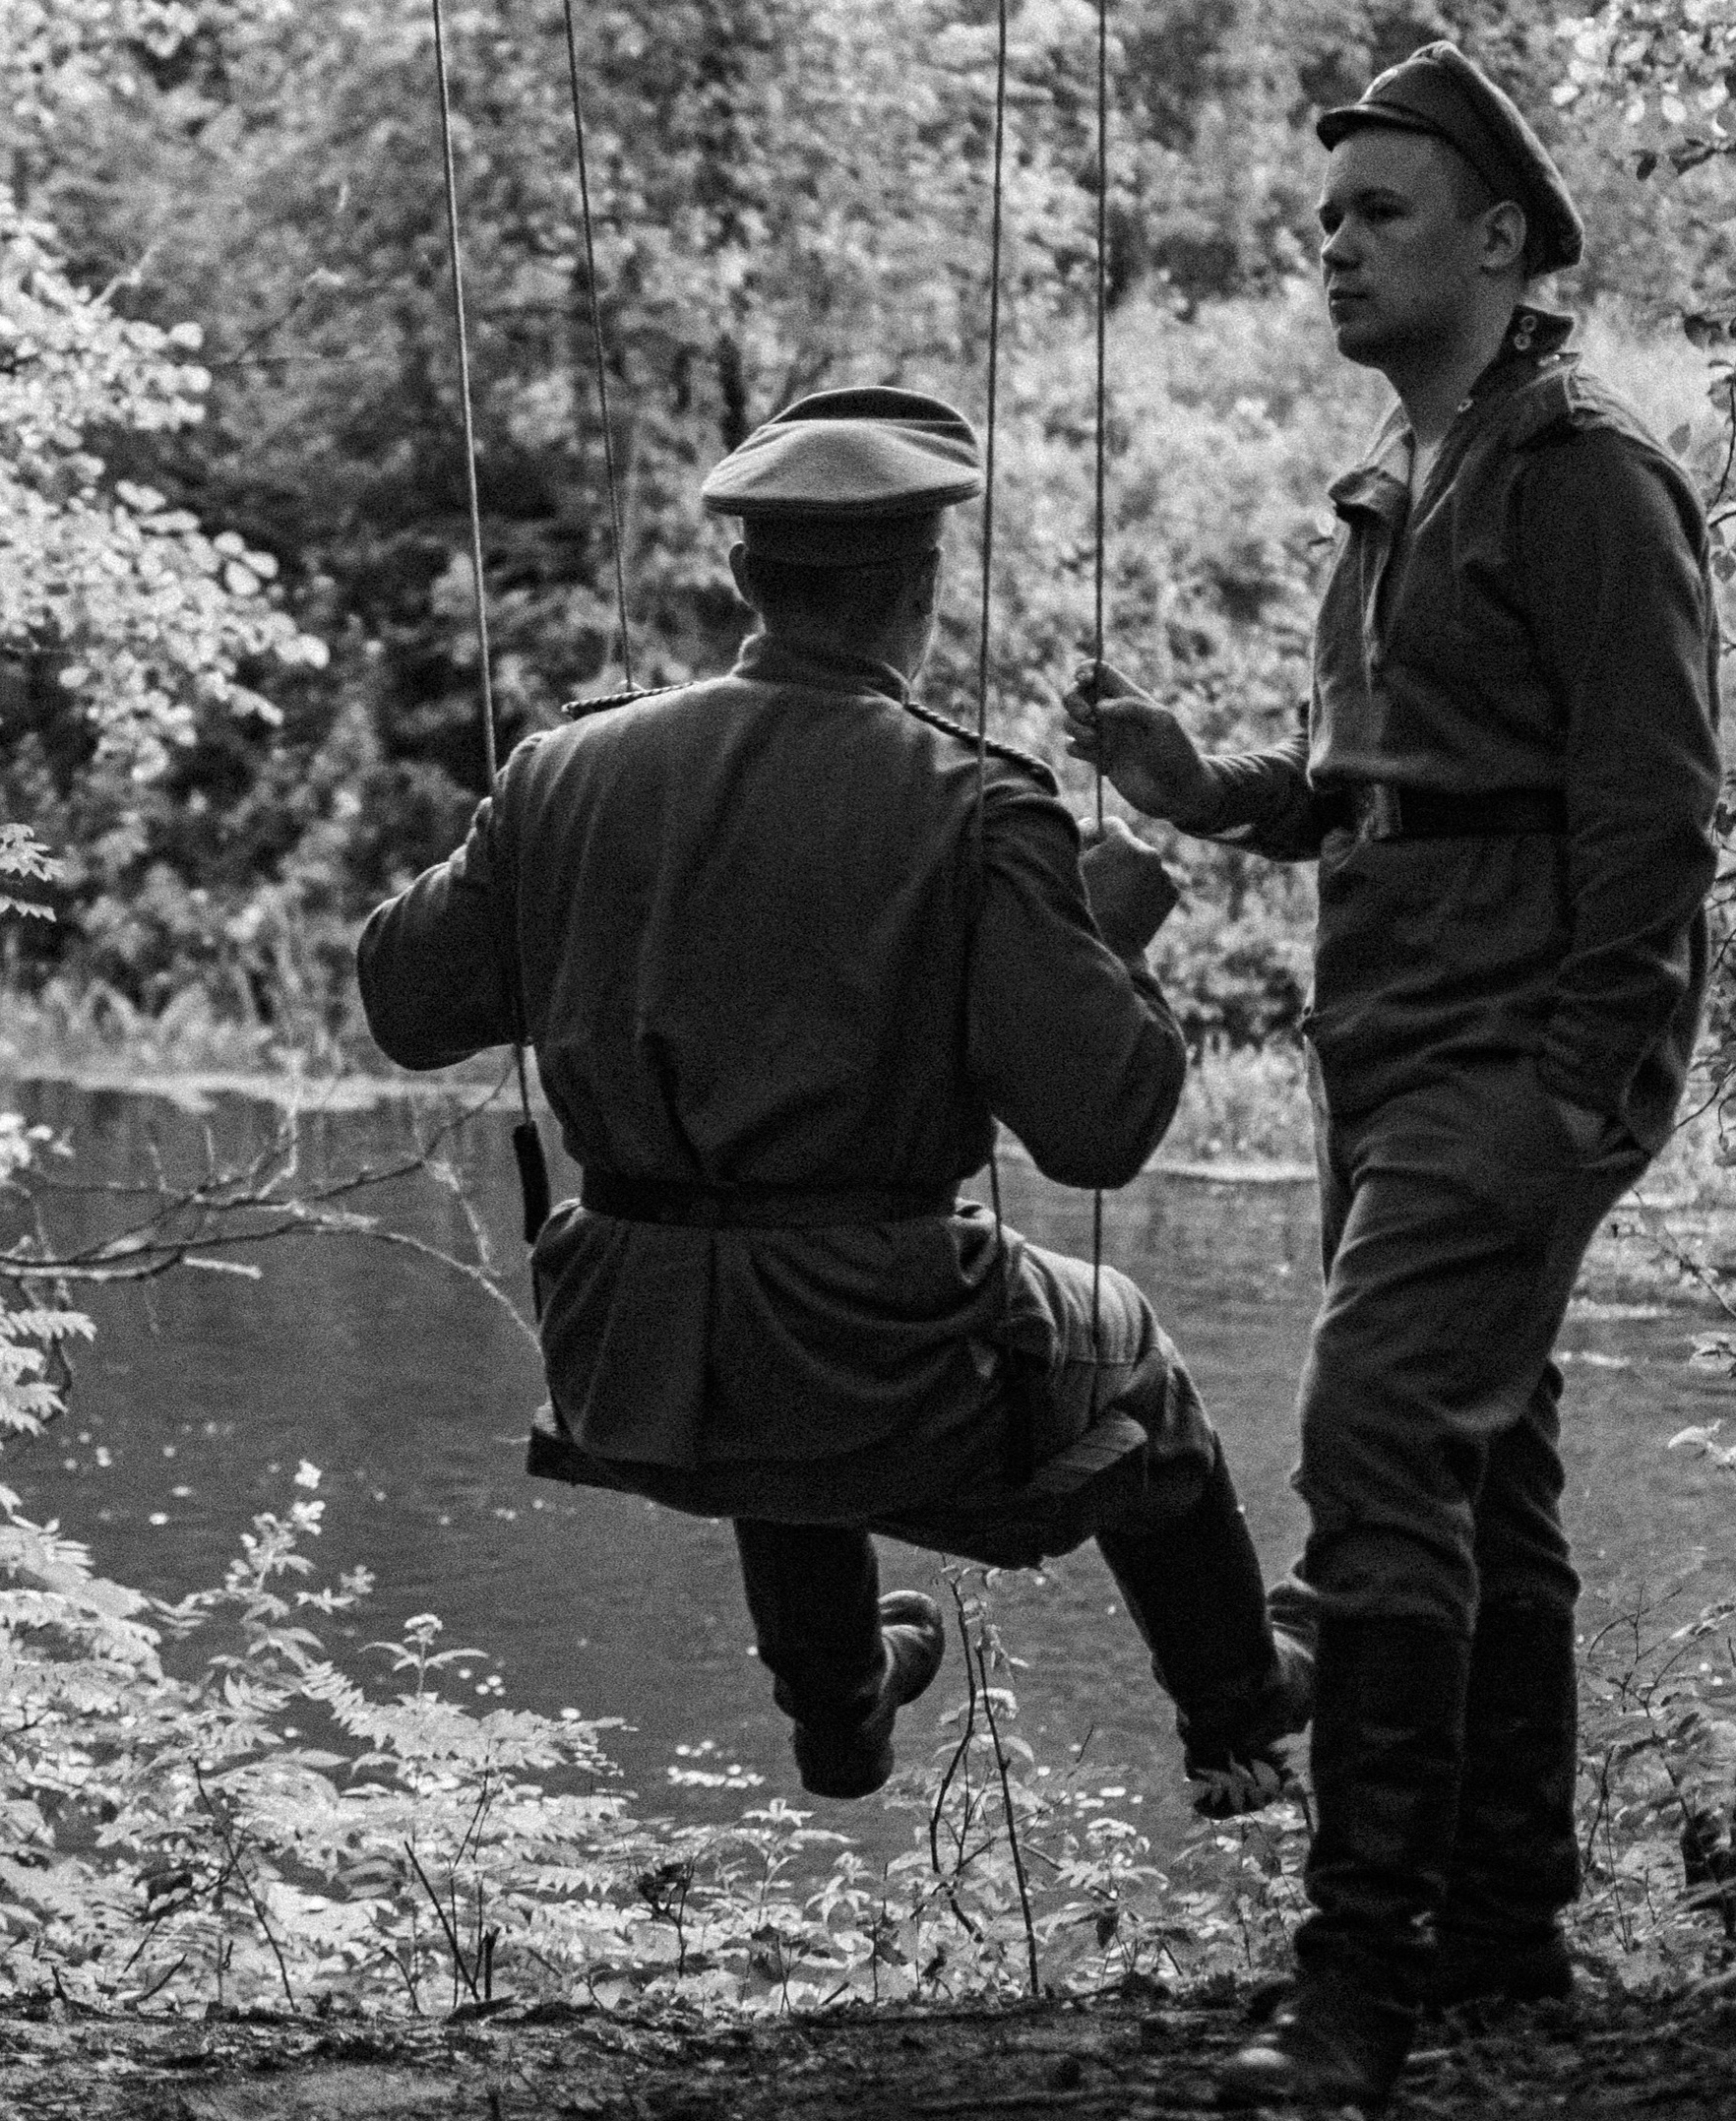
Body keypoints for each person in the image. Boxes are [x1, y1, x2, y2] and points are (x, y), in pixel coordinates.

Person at [357, 384, 1313, 1813]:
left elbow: (404, 1001)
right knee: (1138, 1369)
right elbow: (1103, 1126)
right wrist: (1107, 940)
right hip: (891, 1367)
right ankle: (1239, 1719)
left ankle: (842, 1710)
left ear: (742, 576)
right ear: (923, 588)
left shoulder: (565, 770)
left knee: (765, 1321)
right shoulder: (977, 803)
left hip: (627, 1351)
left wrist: (549, 849)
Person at [1068, 42, 1721, 2114]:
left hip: (1512, 1055)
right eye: (1323, 220)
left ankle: (1350, 1992)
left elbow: (1653, 811)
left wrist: (1575, 1083)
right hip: (1384, 1043)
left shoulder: (1585, 471)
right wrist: (1209, 789)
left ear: (1502, 240)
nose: (1333, 248)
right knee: (1480, 1472)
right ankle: (1503, 1943)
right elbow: (1388, 788)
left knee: (1366, 1447)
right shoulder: (1392, 485)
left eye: (1378, 212)